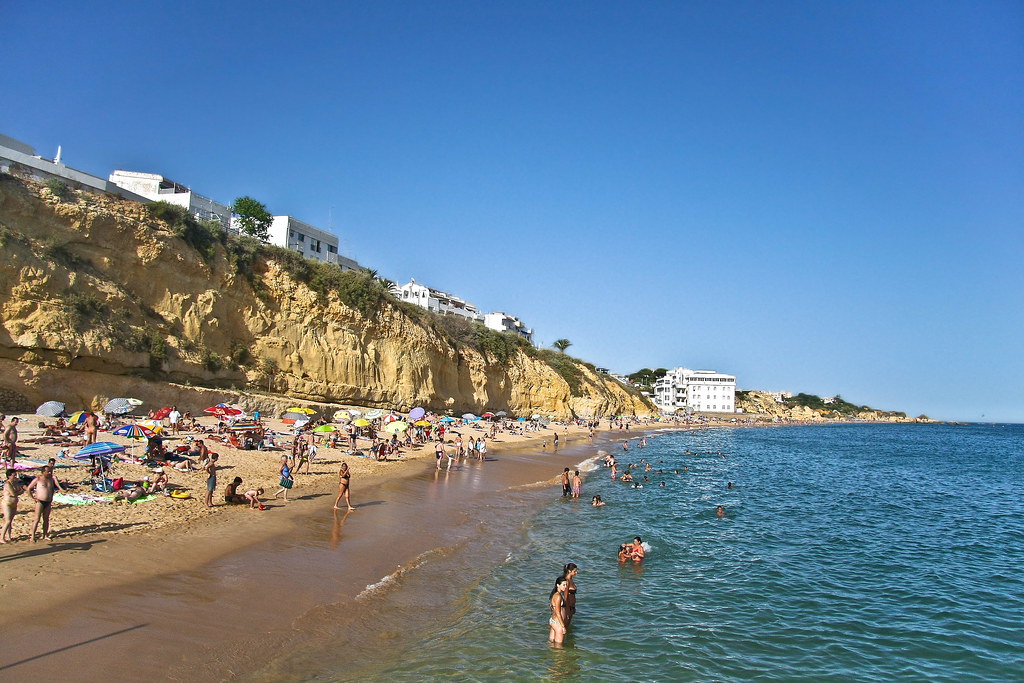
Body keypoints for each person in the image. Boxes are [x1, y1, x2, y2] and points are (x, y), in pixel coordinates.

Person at [24, 465, 58, 542]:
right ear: (43, 472)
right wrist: (32, 497)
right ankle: (32, 536)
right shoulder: (38, 479)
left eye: (50, 471)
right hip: (40, 501)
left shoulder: (50, 479)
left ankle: (45, 535)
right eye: (48, 471)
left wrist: (51, 497)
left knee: (46, 519)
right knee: (36, 519)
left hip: (48, 502)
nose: (49, 473)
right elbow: (29, 488)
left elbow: (52, 489)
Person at [2, 468, 24, 543]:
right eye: (14, 475)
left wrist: (19, 492)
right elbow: (13, 494)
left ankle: (9, 536)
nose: (15, 476)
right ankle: (1, 537)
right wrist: (19, 492)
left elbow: (20, 491)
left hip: (14, 503)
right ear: (9, 476)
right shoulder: (7, 484)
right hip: (7, 503)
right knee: (7, 520)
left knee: (10, 520)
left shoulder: (15, 482)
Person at [548, 575, 569, 644]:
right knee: (559, 647)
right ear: (558, 585)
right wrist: (563, 626)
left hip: (553, 621)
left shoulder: (554, 594)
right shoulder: (558, 596)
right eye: (563, 585)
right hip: (558, 624)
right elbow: (558, 612)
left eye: (566, 585)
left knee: (551, 644)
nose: (565, 587)